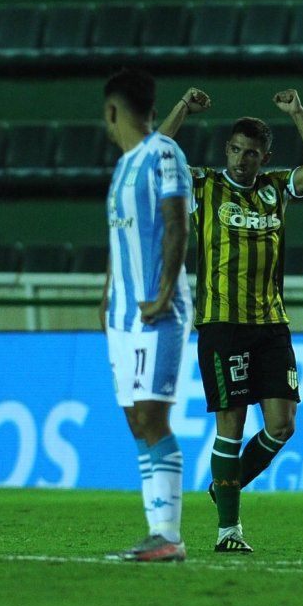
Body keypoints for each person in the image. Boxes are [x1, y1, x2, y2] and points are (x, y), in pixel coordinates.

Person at [159, 87, 303, 552]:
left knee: (282, 425)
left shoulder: (275, 188)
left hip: (272, 324)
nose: (241, 160)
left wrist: (299, 113)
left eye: (251, 153)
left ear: (264, 157)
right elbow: (155, 159)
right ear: (226, 151)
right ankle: (228, 531)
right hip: (223, 324)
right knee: (230, 426)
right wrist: (182, 109)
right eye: (235, 150)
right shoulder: (203, 187)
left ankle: (225, 486)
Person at [100, 69, 194, 563]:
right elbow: (119, 238)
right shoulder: (123, 166)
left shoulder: (164, 154)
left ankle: (168, 535)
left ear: (112, 111)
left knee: (153, 416)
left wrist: (163, 295)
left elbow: (177, 225)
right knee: (137, 422)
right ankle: (155, 532)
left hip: (158, 311)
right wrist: (105, 295)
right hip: (122, 314)